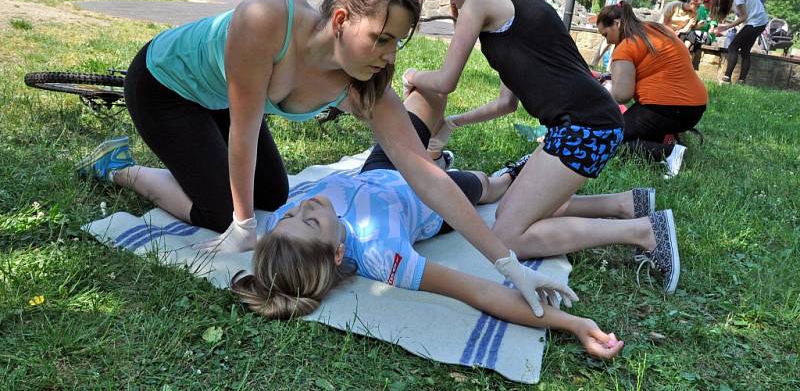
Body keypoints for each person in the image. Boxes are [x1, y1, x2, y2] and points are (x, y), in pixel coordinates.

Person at [76, 0, 575, 318]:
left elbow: (424, 173)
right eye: (381, 39)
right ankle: (122, 169)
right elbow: (243, 135)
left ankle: (180, 177)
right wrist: (244, 225)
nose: (389, 56)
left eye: (396, 43)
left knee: (271, 195)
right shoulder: (267, 18)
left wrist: (508, 265)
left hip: (222, 100)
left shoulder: (363, 84)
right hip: (164, 86)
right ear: (340, 20)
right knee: (225, 212)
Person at [231, 88, 646, 359]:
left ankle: (433, 148)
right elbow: (479, 291)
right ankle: (475, 169)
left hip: (385, 164)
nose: (306, 206)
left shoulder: (286, 222)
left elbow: (243, 213)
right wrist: (573, 324)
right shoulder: (384, 257)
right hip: (435, 195)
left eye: (292, 214)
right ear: (338, 252)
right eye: (311, 221)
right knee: (491, 185)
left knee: (424, 93)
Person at [401, 0, 680, 293]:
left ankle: (643, 232)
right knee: (523, 206)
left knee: (508, 235)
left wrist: (412, 75)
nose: (453, 1)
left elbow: (446, 80)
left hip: (585, 127)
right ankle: (627, 204)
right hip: (584, 123)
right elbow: (506, 103)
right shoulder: (514, 11)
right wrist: (453, 123)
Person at [595, 1, 708, 178]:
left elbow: (622, 95)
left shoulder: (625, 47)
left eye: (606, 34)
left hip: (665, 107)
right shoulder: (656, 28)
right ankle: (662, 142)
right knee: (631, 134)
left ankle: (669, 153)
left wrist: (597, 90)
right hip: (695, 106)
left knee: (607, 140)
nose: (607, 40)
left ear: (617, 24)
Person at [709, 0, 768, 84]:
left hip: (755, 23)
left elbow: (743, 17)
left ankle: (726, 78)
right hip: (759, 23)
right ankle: (741, 81)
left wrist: (727, 27)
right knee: (745, 51)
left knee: (733, 47)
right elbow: (738, 13)